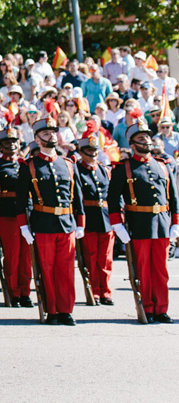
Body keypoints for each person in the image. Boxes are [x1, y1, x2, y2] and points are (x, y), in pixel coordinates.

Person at [16, 102, 85, 325]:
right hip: (43, 222)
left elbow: (77, 196)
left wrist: (81, 223)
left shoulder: (69, 164)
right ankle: (52, 310)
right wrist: (24, 226)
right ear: (37, 140)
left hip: (67, 222)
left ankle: (66, 310)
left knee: (66, 269)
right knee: (46, 269)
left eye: (53, 132)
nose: (51, 136)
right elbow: (21, 200)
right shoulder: (30, 165)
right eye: (46, 133)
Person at [108, 116, 179, 323]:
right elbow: (113, 199)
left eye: (147, 137)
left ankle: (161, 309)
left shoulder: (163, 165)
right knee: (144, 270)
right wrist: (118, 224)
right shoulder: (124, 168)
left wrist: (175, 222)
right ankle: (147, 308)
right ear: (132, 144)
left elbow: (173, 197)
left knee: (161, 270)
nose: (146, 141)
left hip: (162, 223)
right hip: (139, 223)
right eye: (141, 138)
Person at [0, 126, 32, 307]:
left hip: (27, 213)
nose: (12, 145)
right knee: (12, 254)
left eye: (14, 141)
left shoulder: (25, 164)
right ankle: (13, 292)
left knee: (27, 256)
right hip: (7, 213)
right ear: (0, 145)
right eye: (7, 142)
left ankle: (25, 292)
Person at [74, 124, 115, 305]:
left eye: (95, 150)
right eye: (89, 150)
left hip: (106, 218)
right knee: (91, 257)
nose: (93, 153)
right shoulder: (77, 170)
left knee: (105, 259)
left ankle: (105, 291)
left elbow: (113, 195)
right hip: (89, 218)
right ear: (81, 152)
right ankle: (94, 291)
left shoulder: (104, 169)